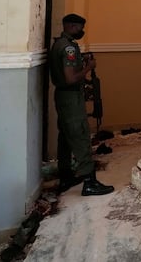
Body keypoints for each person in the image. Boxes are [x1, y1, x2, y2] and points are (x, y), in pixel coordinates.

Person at [49, 13, 114, 196]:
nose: (81, 31)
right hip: (71, 98)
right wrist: (88, 67)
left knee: (66, 137)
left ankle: (66, 176)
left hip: (63, 97)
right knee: (80, 136)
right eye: (79, 27)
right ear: (70, 26)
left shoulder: (59, 44)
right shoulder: (68, 48)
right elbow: (70, 78)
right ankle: (89, 182)